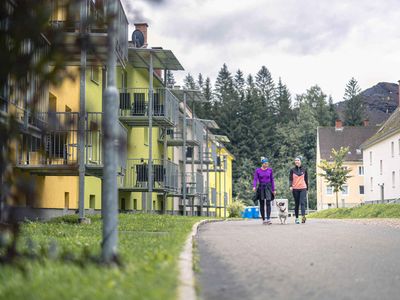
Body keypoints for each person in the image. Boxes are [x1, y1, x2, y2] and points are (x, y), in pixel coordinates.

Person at [253, 157, 276, 225]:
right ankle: (263, 219)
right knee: (262, 203)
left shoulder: (270, 170)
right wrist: (254, 186)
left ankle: (268, 218)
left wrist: (273, 189)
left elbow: (272, 180)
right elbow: (255, 179)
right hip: (261, 187)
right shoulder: (258, 170)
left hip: (268, 187)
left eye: (267, 163)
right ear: (262, 163)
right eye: (265, 163)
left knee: (268, 202)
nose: (267, 165)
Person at [289, 156, 308, 224]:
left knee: (302, 203)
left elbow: (306, 179)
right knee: (297, 204)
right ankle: (297, 218)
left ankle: (303, 217)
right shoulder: (292, 170)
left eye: (298, 160)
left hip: (303, 188)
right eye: (295, 160)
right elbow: (290, 179)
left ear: (300, 161)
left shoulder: (304, 169)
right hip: (295, 188)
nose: (296, 161)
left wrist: (307, 189)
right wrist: (290, 186)